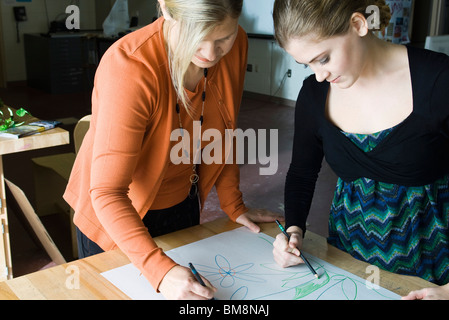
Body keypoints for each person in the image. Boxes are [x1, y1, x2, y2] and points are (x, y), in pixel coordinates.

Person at [63, 0, 282, 300]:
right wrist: (160, 270)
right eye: (196, 36)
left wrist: (234, 204)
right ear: (165, 8)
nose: (209, 54)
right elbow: (107, 192)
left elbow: (223, 129)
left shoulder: (238, 44)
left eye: (222, 39)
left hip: (183, 200)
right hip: (117, 218)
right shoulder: (130, 67)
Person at [271, 0, 449, 299]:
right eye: (307, 64)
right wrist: (293, 232)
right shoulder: (314, 95)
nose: (318, 75)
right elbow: (302, 173)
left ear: (358, 24)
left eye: (323, 58)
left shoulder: (439, 80)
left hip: (432, 267)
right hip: (348, 257)